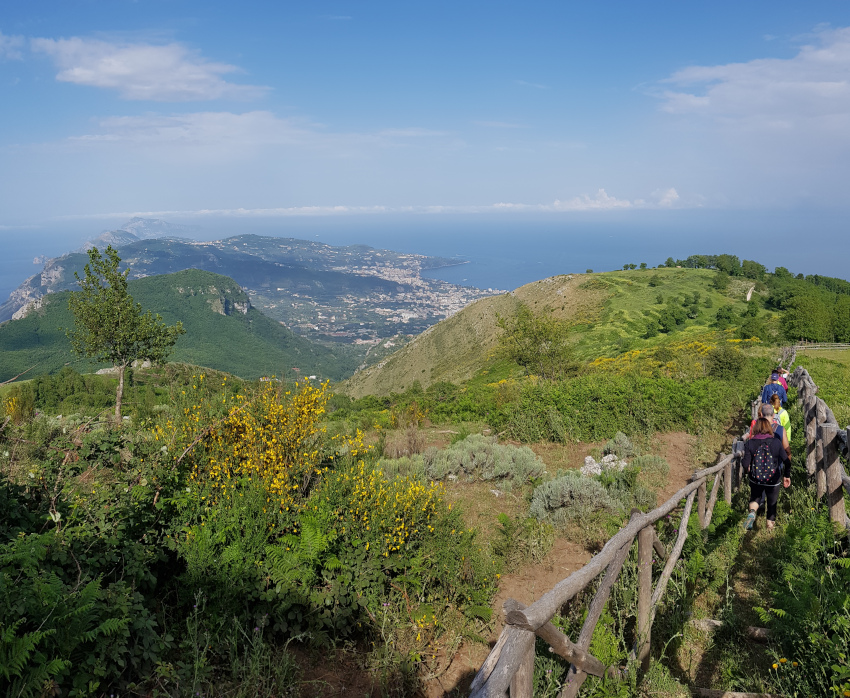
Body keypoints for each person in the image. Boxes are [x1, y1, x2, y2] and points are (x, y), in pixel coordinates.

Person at [742, 416, 791, 531]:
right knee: (772, 504)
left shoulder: (750, 443)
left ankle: (752, 513)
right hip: (773, 479)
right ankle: (769, 531)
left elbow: (745, 464)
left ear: (756, 428)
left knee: (755, 498)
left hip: (756, 479)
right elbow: (787, 461)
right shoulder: (776, 442)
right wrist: (786, 475)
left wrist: (748, 471)